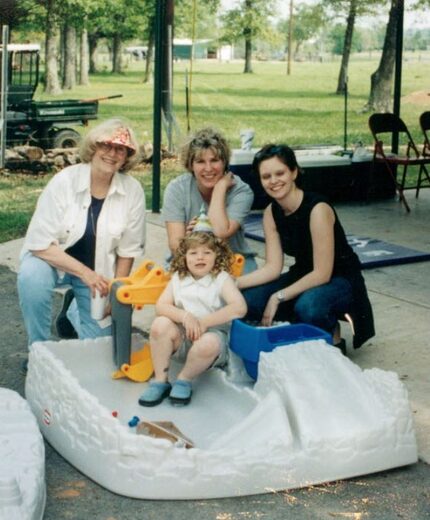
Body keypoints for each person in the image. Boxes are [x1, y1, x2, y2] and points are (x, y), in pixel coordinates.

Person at [17, 118, 146, 348]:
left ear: (127, 156)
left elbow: (128, 250)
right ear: (93, 147)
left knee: (101, 348)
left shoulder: (133, 191)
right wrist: (85, 274)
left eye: (120, 149)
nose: (112, 154)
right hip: (52, 261)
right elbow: (39, 243)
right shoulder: (65, 180)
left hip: (97, 270)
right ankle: (39, 348)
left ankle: (73, 311)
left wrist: (118, 291)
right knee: (31, 277)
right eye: (106, 145)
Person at [237, 144, 375, 352]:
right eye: (266, 176)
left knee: (308, 307)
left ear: (294, 172)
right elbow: (273, 267)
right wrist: (234, 283)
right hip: (303, 274)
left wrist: (278, 296)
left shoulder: (317, 209)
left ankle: (331, 330)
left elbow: (322, 273)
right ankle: (302, 325)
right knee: (249, 301)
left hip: (340, 278)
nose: (273, 181)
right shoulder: (271, 213)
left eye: (280, 173)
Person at [139, 227, 247, 407]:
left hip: (210, 341)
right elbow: (161, 306)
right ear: (184, 257)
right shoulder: (178, 278)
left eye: (207, 252)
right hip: (183, 337)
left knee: (209, 343)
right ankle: (160, 380)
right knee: (160, 324)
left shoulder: (221, 278)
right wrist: (184, 316)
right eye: (193, 252)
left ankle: (184, 378)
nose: (200, 257)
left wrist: (204, 322)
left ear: (216, 256)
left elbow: (239, 308)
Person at [162, 127, 257, 273]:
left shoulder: (241, 191)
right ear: (190, 165)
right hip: (187, 260)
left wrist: (220, 189)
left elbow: (220, 232)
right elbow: (176, 247)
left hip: (232, 258)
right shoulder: (177, 189)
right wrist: (189, 239)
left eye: (214, 160)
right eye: (200, 161)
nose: (208, 168)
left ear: (225, 162)